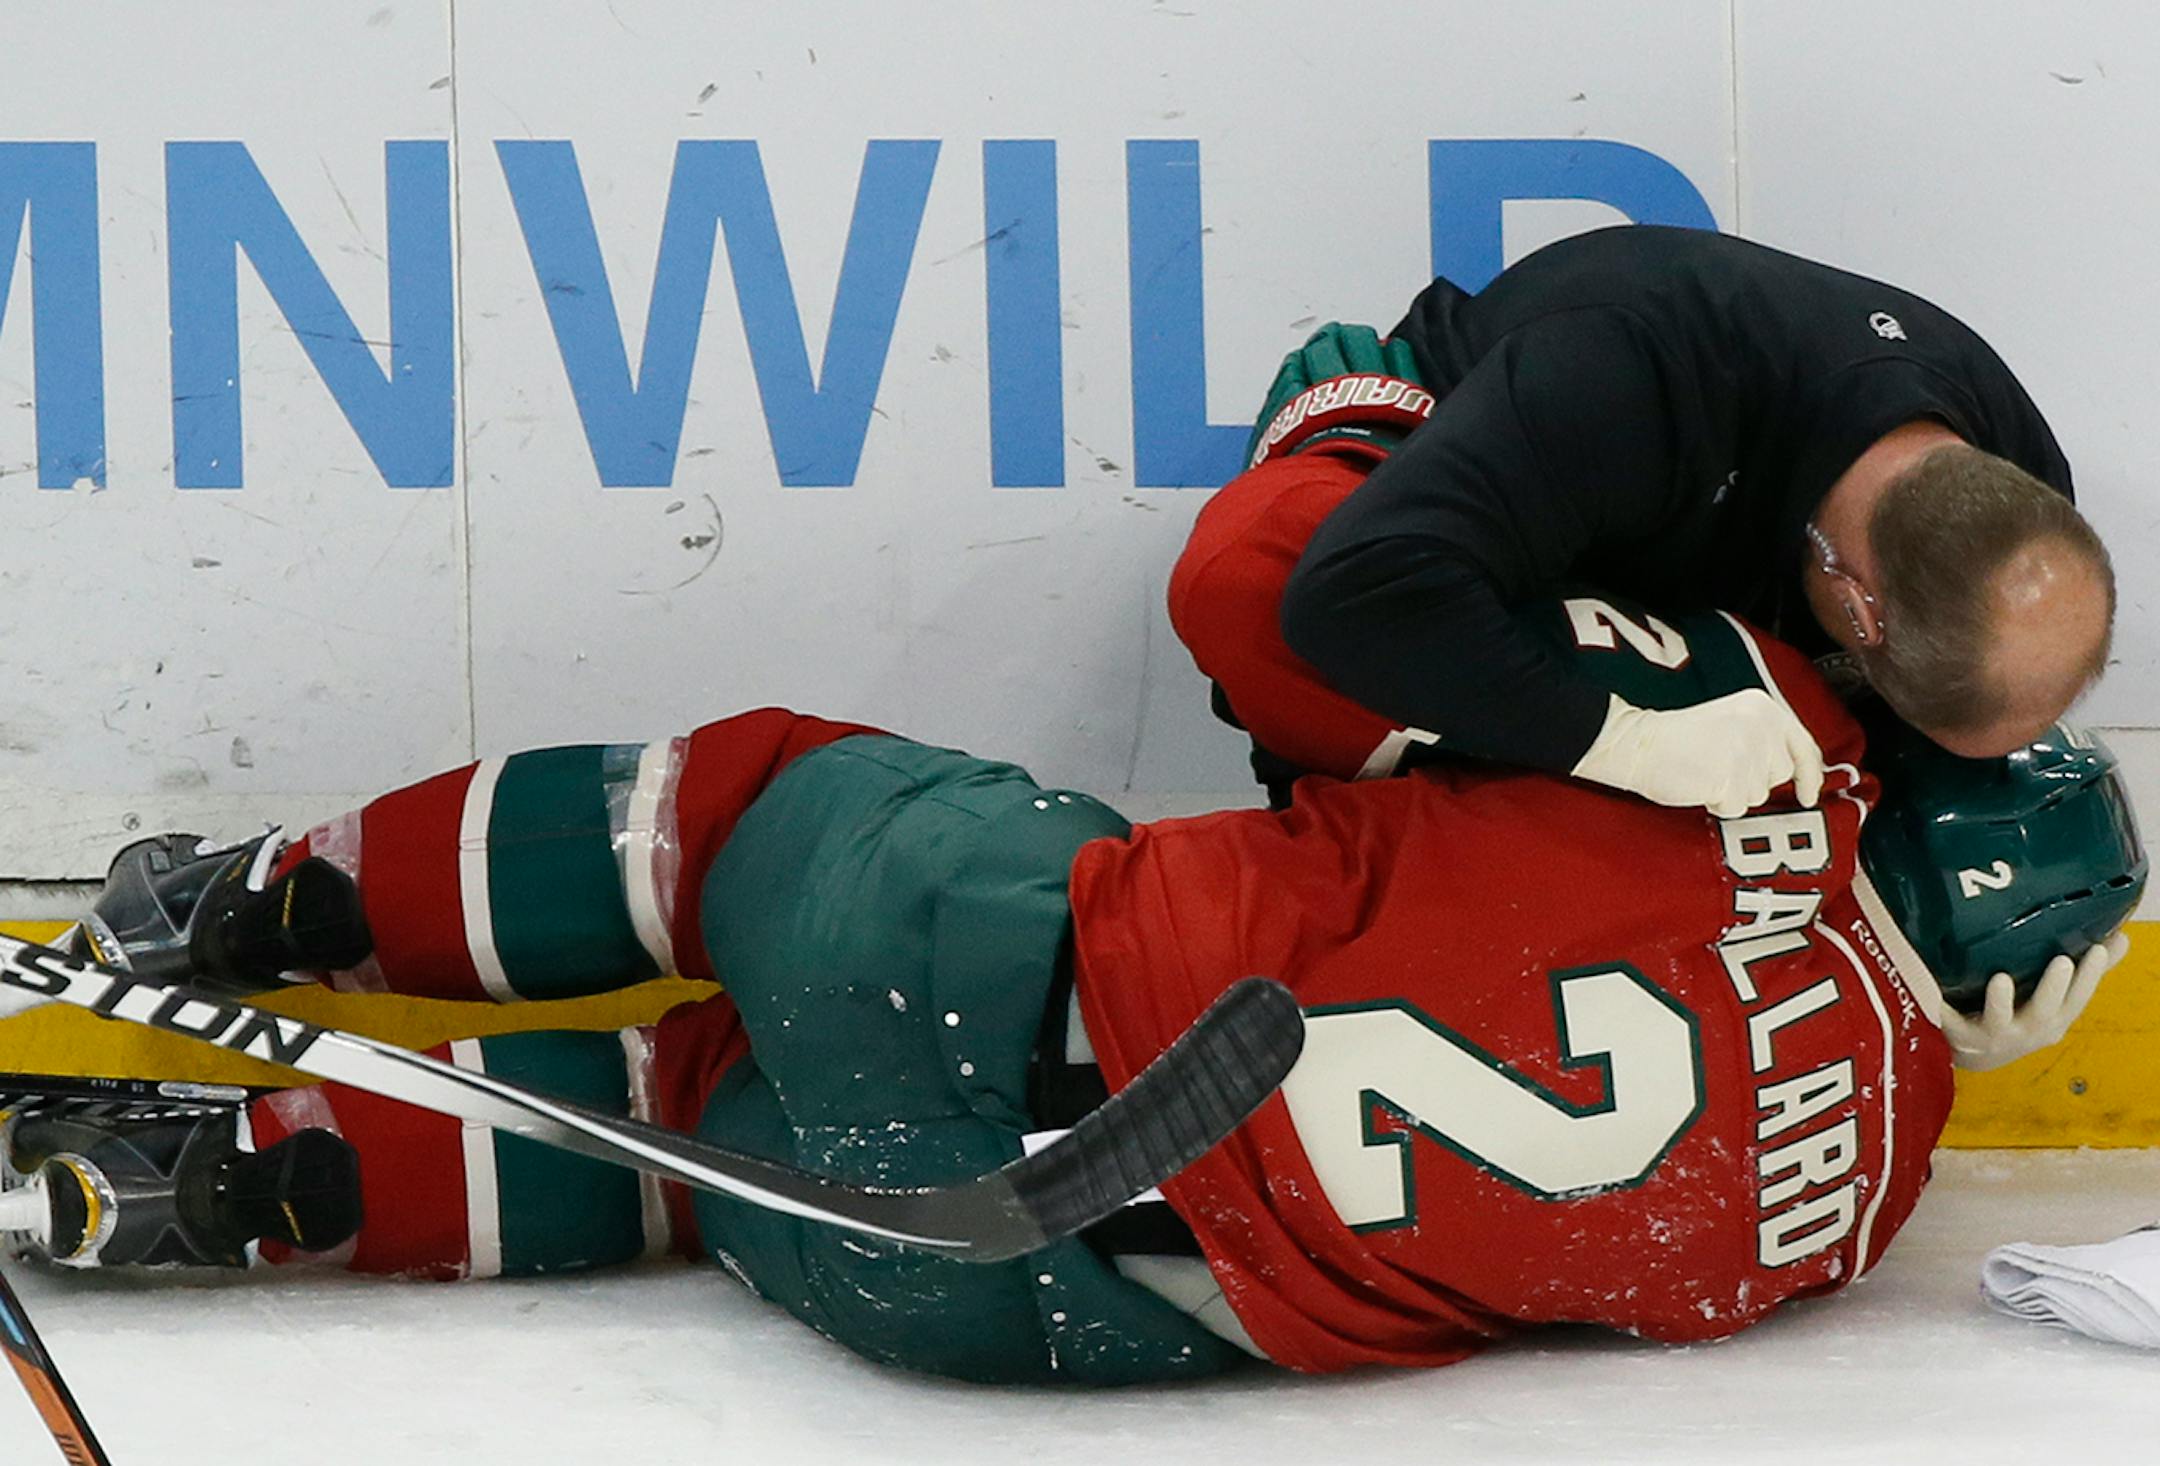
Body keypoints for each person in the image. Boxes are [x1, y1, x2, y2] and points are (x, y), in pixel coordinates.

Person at [2, 600, 2143, 1383]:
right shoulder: (1852, 1213)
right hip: (1022, 1297)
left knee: (727, 815)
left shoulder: (1764, 742)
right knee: (683, 1137)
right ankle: (253, 1184)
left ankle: (260, 907)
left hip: (993, 959)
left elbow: (1307, 591)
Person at [1177, 224, 2116, 817]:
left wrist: (1929, 966)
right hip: (1452, 485)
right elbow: (1350, 597)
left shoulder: (2019, 469)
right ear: (1857, 612)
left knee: (1798, 770)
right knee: (1262, 581)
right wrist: (1623, 742)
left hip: (1675, 556)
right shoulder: (1627, 379)